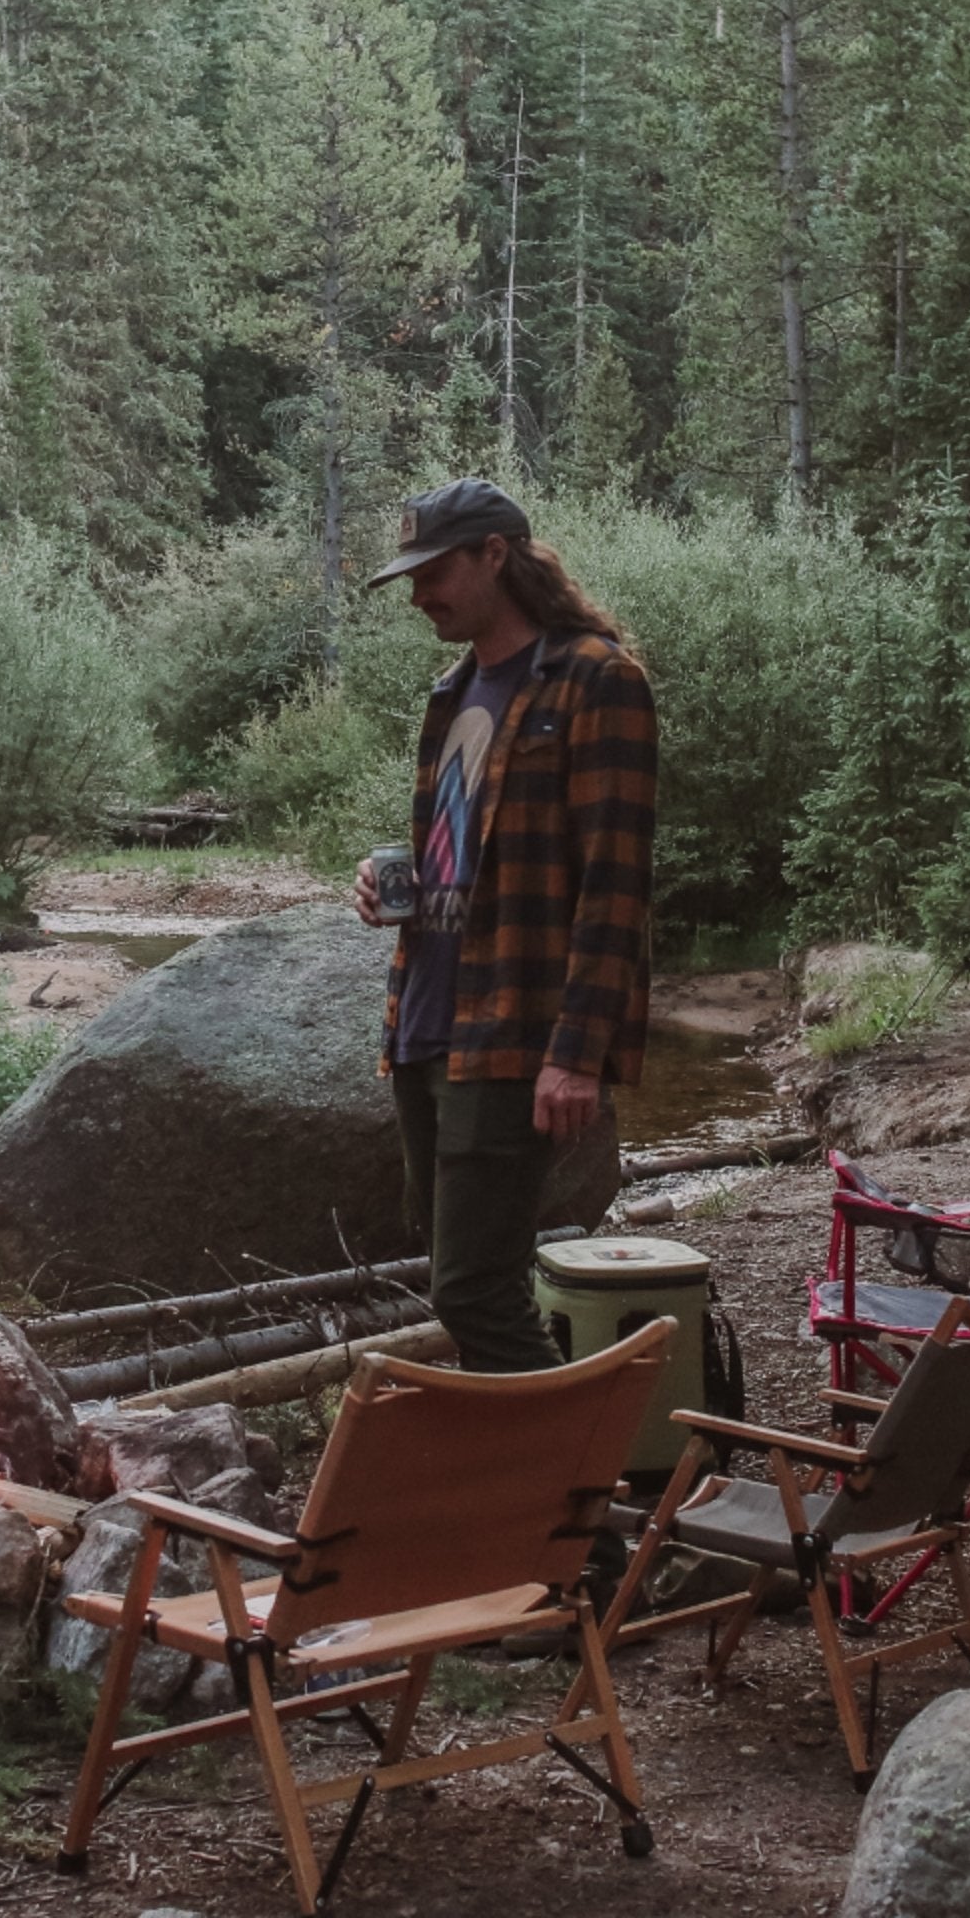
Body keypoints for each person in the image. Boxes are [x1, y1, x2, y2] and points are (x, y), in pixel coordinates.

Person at [352, 479, 657, 1372]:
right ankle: (527, 1478)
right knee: (466, 1270)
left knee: (471, 1290)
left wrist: (576, 1053)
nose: (418, 595)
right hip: (426, 1020)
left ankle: (567, 1492)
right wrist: (381, 884)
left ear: (495, 554)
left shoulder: (600, 681)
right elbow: (458, 858)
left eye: (433, 571)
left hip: (514, 1032)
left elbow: (617, 885)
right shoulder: (452, 694)